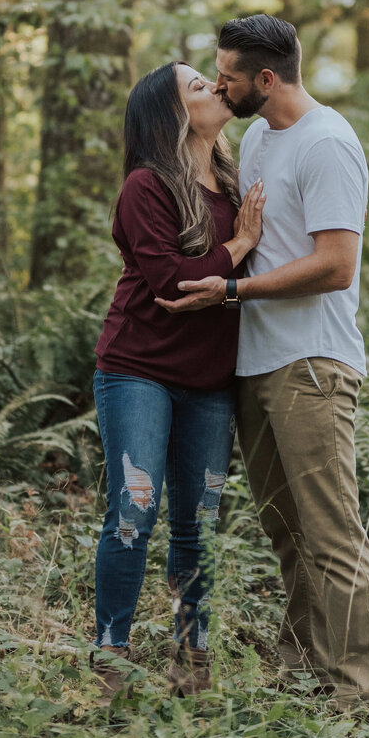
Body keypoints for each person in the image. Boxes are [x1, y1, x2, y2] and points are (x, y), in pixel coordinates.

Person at [156, 15, 369, 712]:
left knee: (331, 533)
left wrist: (234, 289)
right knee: (289, 534)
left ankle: (358, 698)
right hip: (255, 362)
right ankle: (303, 670)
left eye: (225, 72)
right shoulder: (256, 136)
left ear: (266, 78)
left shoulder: (327, 143)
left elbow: (336, 265)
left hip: (310, 363)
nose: (217, 82)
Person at [91, 62, 264, 697]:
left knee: (199, 522)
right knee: (134, 513)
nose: (218, 88)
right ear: (172, 115)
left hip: (211, 380)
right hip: (138, 369)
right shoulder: (146, 186)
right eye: (199, 86)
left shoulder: (234, 180)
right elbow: (172, 286)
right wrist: (241, 245)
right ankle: (110, 658)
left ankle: (192, 661)